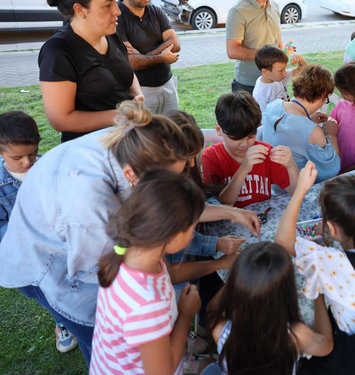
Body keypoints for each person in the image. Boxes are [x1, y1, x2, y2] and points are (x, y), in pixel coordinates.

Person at [0, 101, 261, 366]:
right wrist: (182, 317)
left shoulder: (134, 146)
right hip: (44, 264)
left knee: (115, 345)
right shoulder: (91, 211)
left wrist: (231, 214)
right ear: (133, 176)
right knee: (97, 334)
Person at [274, 163, 355, 374]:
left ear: (330, 228)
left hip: (348, 364)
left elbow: (282, 240)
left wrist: (300, 189)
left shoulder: (333, 262)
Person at [89, 170, 207, 374]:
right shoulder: (147, 305)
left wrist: (221, 263)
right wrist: (186, 314)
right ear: (172, 237)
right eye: (193, 227)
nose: (193, 233)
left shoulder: (133, 252)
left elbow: (169, 274)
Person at [0, 111, 79, 354]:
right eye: (17, 157)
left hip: (63, 242)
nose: (27, 162)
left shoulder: (50, 167)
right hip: (29, 254)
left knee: (71, 281)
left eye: (32, 154)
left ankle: (79, 311)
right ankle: (62, 321)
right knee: (49, 290)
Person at [203, 242, 334, 375]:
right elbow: (326, 345)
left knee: (206, 365)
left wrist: (238, 280)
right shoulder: (296, 335)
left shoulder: (220, 330)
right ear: (288, 291)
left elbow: (211, 310)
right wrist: (318, 293)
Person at [40, 0, 144, 143]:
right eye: (107, 6)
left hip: (125, 141)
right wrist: (120, 115)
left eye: (115, 2)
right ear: (80, 9)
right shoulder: (58, 50)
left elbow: (127, 73)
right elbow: (60, 119)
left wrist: (138, 94)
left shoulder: (112, 36)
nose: (117, 11)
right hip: (91, 149)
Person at [202, 92, 299, 207]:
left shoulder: (265, 152)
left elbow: (296, 193)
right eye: (236, 139)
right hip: (229, 222)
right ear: (219, 130)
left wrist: (291, 166)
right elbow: (221, 206)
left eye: (251, 136)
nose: (244, 144)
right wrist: (244, 169)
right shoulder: (212, 156)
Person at [258, 64, 341, 182]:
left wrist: (308, 120)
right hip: (292, 189)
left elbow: (290, 128)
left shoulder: (273, 105)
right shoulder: (313, 132)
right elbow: (331, 170)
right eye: (326, 98)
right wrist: (332, 135)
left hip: (267, 182)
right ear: (322, 94)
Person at [117, 0, 181, 115]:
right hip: (140, 91)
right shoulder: (117, 16)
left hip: (168, 85)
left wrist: (142, 56)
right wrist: (161, 57)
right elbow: (130, 62)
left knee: (172, 130)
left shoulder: (155, 10)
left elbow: (175, 44)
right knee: (144, 132)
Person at [226, 0, 282, 93]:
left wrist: (281, 58)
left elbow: (277, 38)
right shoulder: (237, 11)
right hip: (249, 85)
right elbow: (232, 51)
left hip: (274, 81)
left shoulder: (275, 6)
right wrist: (268, 55)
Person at [253, 45, 307, 111]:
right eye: (281, 70)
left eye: (284, 69)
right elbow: (263, 118)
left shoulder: (278, 77)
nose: (284, 73)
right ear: (266, 72)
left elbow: (301, 70)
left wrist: (301, 61)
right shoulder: (261, 94)